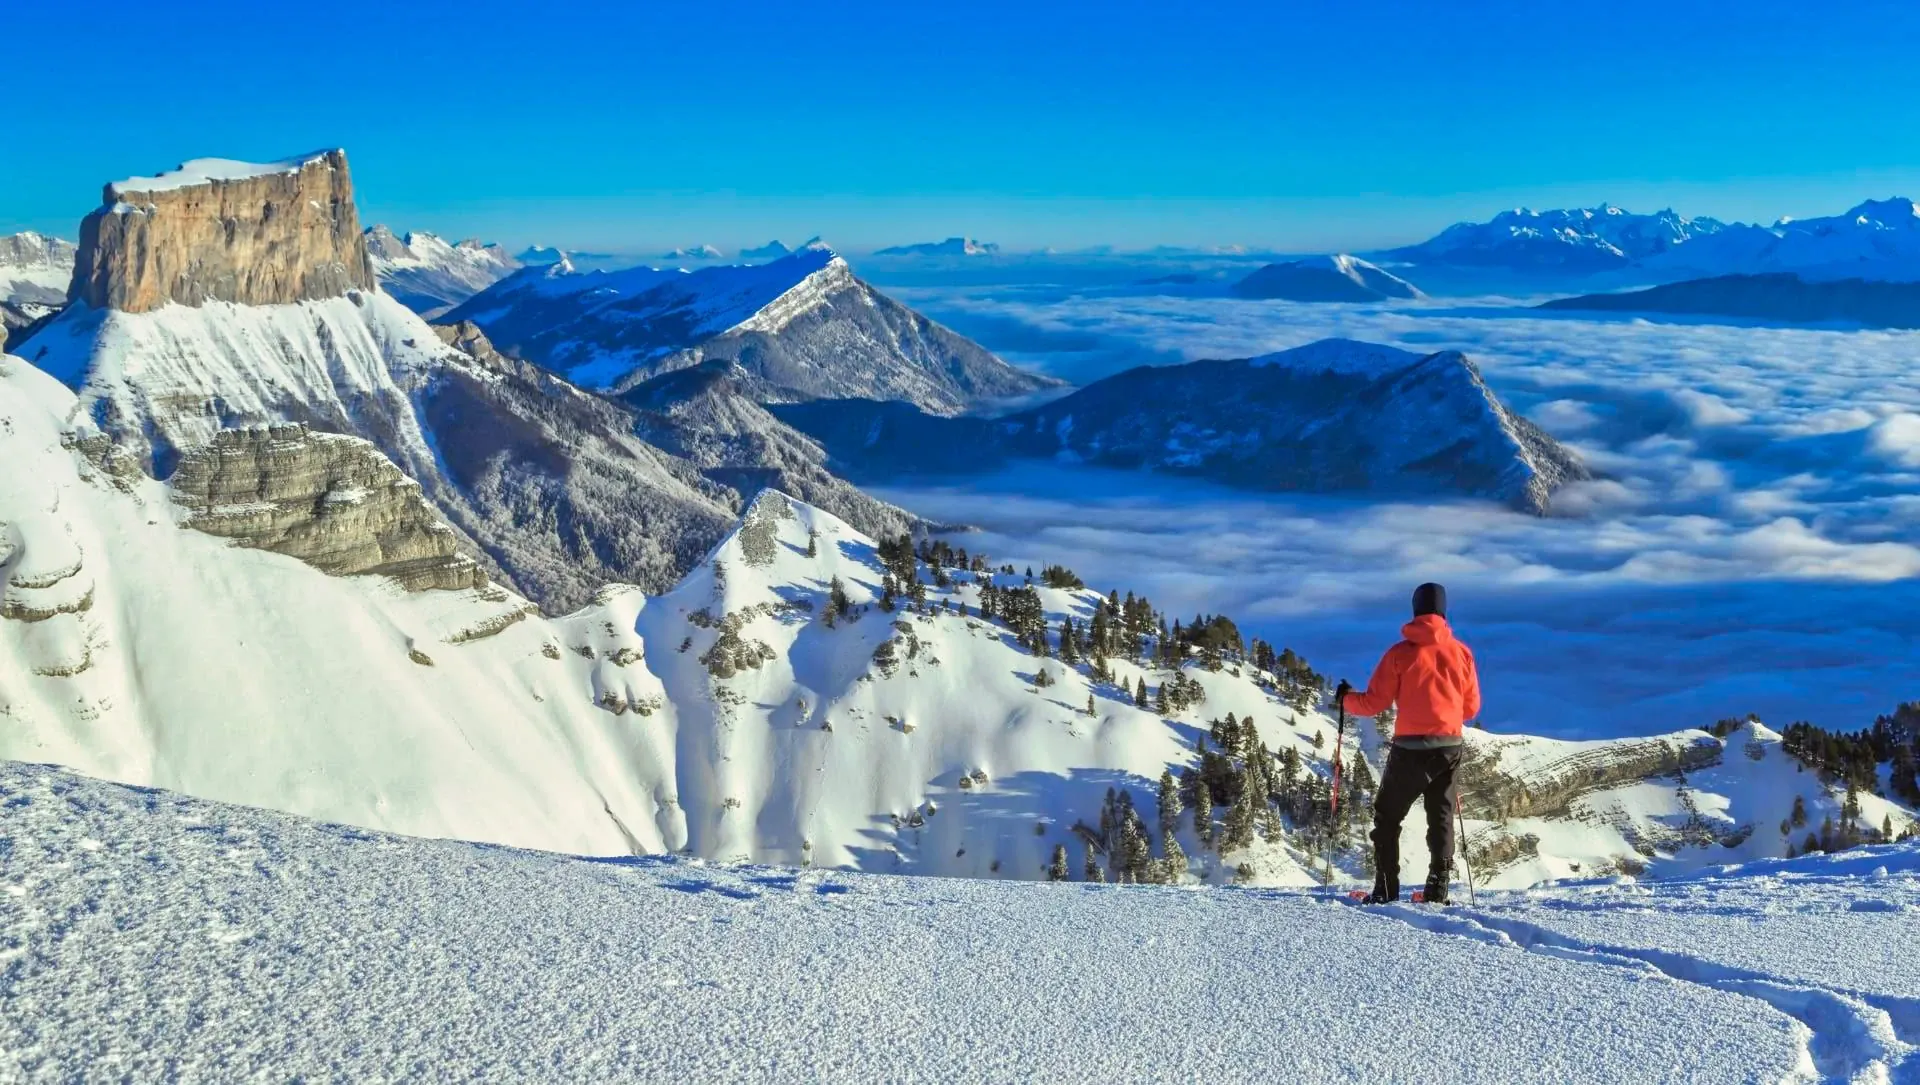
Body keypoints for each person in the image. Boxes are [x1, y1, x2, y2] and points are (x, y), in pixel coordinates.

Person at [1336, 582, 1479, 904]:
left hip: (1410, 748)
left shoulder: (1400, 653)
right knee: (1440, 817)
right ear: (1443, 611)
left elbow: (1374, 703)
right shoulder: (1462, 653)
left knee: (1388, 817)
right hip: (1449, 746)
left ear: (1415, 611)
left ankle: (1386, 890)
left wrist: (1346, 700)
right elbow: (1470, 709)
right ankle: (1436, 892)